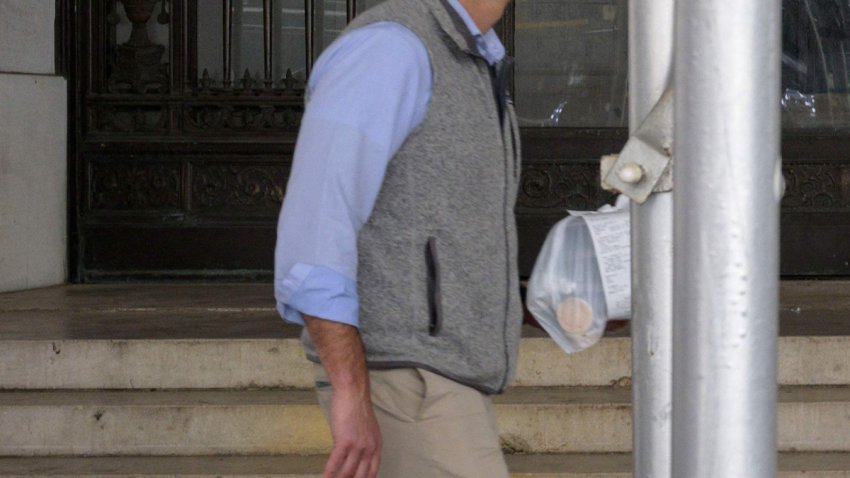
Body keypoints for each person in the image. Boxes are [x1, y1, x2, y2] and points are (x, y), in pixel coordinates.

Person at [274, 0, 522, 476]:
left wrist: (528, 302)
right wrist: (351, 391)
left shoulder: (469, 55)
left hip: (437, 380)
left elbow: (436, 230)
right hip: (405, 383)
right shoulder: (391, 48)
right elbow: (316, 227)